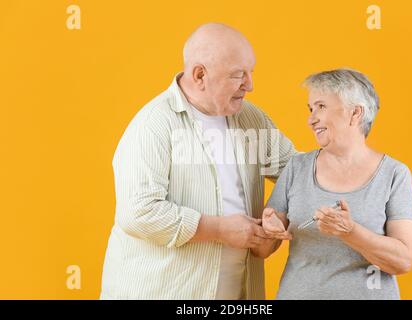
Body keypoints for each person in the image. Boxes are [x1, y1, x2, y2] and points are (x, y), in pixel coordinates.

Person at [100, 23, 296, 299]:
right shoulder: (153, 124)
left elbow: (297, 173)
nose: (250, 85)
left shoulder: (251, 118)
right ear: (200, 75)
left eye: (250, 73)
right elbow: (138, 212)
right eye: (238, 75)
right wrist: (219, 229)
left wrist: (278, 215)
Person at [254, 68, 412, 299]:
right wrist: (268, 231)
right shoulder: (296, 167)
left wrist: (350, 232)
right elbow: (261, 250)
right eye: (311, 109)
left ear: (355, 113)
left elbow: (402, 261)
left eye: (321, 107)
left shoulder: (394, 175)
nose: (311, 119)